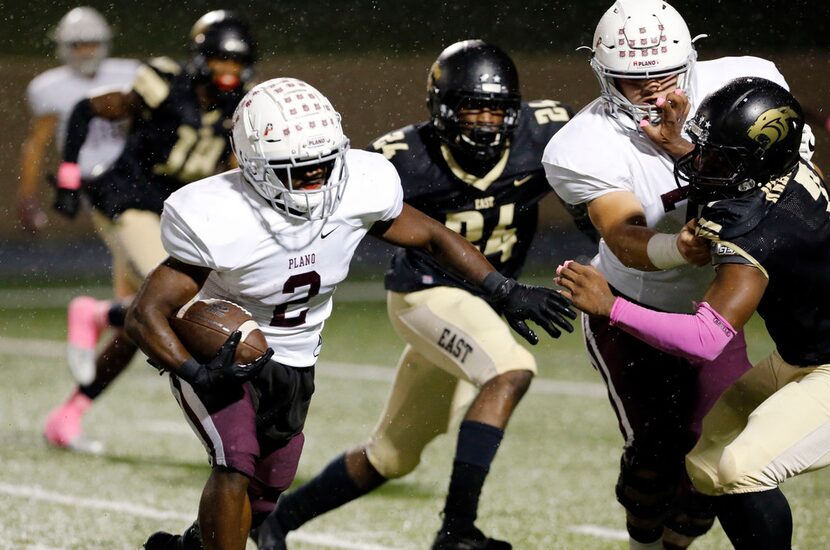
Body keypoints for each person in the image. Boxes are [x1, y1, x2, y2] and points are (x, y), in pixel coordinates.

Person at [123, 77, 575, 550]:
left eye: (323, 164)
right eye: (298, 170)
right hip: (227, 351)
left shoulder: (357, 187)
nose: (316, 180)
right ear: (254, 166)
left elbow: (434, 236)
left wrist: (503, 291)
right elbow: (144, 314)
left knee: (264, 493)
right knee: (235, 462)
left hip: (297, 356)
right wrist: (197, 372)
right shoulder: (220, 214)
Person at [256, 39, 586, 550]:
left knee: (391, 455)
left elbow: (601, 180)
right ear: (442, 110)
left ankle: (275, 522)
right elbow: (325, 214)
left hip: (481, 307)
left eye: (496, 110)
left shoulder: (547, 132)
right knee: (509, 372)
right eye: (472, 109)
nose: (485, 123)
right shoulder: (401, 160)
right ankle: (457, 532)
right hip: (426, 297)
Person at [542, 1, 814, 548]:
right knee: (656, 455)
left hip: (720, 300)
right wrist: (678, 246)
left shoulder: (747, 86)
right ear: (602, 74)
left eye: (665, 72)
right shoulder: (581, 144)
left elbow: (790, 179)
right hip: (639, 303)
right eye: (633, 79)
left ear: (692, 59)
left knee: (714, 449)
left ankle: (676, 543)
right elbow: (623, 232)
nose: (653, 90)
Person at [42, 10, 257, 453]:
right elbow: (88, 109)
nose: (228, 73)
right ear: (202, 58)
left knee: (139, 322)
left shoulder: (243, 106)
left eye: (236, 64)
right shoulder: (165, 82)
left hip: (174, 215)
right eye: (220, 61)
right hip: (127, 201)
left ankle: (69, 414)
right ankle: (95, 314)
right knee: (170, 302)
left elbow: (234, 171)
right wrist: (67, 177)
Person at [17, 6, 139, 235]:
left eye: (91, 43)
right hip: (87, 180)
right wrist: (30, 196)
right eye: (77, 45)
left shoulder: (129, 74)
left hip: (132, 173)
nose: (86, 51)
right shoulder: (50, 87)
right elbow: (38, 146)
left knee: (129, 241)